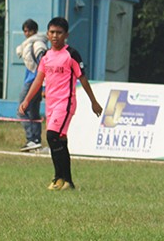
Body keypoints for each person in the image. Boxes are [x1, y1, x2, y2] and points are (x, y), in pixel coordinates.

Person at [18, 16, 103, 190]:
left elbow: (83, 78)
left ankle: (58, 178)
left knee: (51, 136)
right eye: (52, 32)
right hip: (51, 104)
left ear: (66, 35)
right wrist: (27, 100)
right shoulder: (47, 56)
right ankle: (68, 182)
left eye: (59, 32)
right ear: (47, 34)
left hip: (65, 103)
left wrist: (94, 102)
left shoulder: (71, 54)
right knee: (61, 140)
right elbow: (38, 79)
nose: (55, 36)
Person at [14, 18, 48, 151]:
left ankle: (31, 139)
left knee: (21, 110)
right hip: (31, 80)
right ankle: (36, 140)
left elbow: (44, 66)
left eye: (28, 31)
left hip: (33, 82)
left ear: (34, 31)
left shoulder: (38, 45)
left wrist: (44, 86)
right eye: (25, 31)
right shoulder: (29, 45)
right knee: (33, 112)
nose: (26, 34)